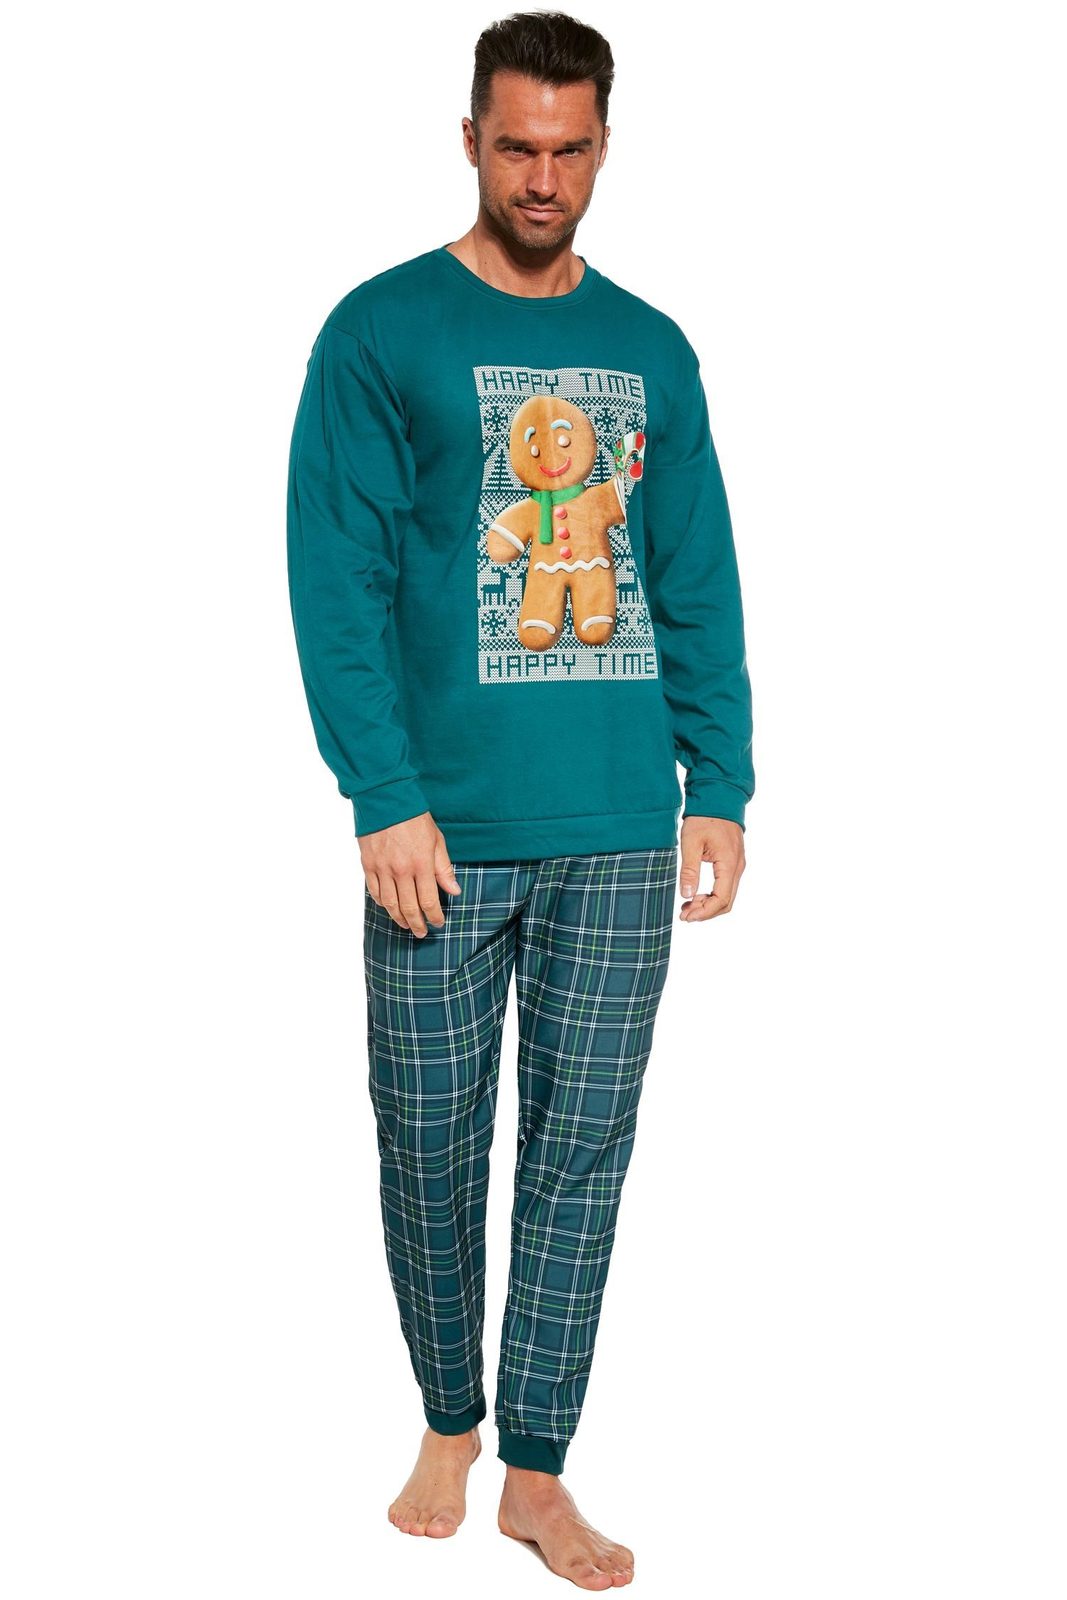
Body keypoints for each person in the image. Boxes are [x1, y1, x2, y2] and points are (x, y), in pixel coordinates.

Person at [286, 10, 755, 1589]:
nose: (542, 178)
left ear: (605, 145)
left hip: (620, 823)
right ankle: (448, 1414)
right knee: (428, 1140)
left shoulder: (652, 349)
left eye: (569, 149)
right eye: (515, 147)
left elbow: (693, 571)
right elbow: (336, 578)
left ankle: (537, 1470)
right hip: (440, 831)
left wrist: (720, 779)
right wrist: (380, 793)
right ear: (469, 141)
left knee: (580, 1155)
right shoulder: (381, 330)